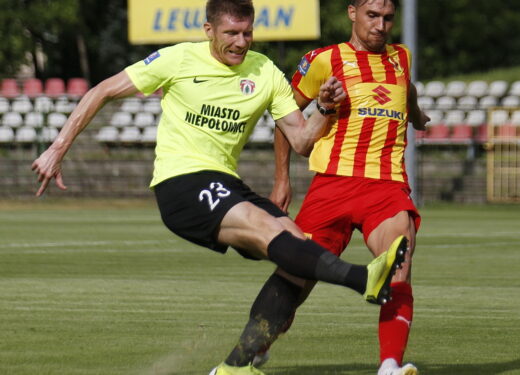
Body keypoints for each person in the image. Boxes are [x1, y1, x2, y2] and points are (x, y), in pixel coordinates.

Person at [30, 1, 407, 375]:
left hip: (226, 182)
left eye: (247, 33)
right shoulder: (177, 59)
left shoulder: (265, 72)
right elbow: (101, 91)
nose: (241, 42)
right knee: (269, 231)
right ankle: (364, 278)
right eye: (231, 33)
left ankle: (238, 365)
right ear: (209, 30)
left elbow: (302, 142)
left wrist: (323, 108)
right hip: (181, 183)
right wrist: (57, 149)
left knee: (297, 249)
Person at [229, 1, 431, 374]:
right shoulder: (323, 59)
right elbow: (283, 118)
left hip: (385, 186)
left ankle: (390, 366)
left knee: (398, 265)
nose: (381, 26)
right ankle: (250, 353)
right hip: (332, 186)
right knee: (294, 275)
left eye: (388, 18)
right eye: (372, 16)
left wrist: (416, 115)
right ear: (352, 12)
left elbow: (407, 87)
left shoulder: (401, 57)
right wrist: (282, 180)